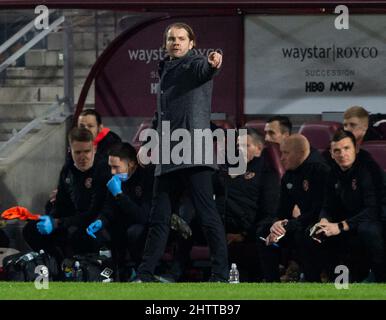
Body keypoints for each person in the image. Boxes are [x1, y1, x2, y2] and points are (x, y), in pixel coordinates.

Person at [136, 22, 229, 282]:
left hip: (193, 154)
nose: (175, 42)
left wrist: (213, 63)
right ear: (165, 44)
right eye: (171, 39)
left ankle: (221, 275)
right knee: (159, 218)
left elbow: (207, 69)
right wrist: (149, 144)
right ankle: (144, 274)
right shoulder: (165, 68)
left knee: (207, 215)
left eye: (180, 38)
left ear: (191, 43)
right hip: (168, 155)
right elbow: (160, 115)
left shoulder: (194, 64)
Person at [23, 127, 111, 265]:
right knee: (31, 229)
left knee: (77, 233)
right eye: (78, 152)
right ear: (70, 151)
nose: (83, 157)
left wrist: (59, 223)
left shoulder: (103, 169)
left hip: (95, 222)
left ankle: (82, 269)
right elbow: (61, 204)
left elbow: (93, 211)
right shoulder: (68, 170)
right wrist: (50, 218)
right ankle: (55, 263)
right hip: (71, 220)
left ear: (94, 149)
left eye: (87, 151)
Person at [312, 129, 385, 282]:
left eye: (346, 148)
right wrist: (324, 221)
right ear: (332, 154)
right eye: (337, 150)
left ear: (356, 149)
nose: (342, 154)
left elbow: (373, 210)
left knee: (367, 230)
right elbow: (327, 205)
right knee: (314, 232)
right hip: (349, 220)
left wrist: (340, 226)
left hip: (375, 218)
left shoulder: (368, 168)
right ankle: (338, 282)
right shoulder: (332, 172)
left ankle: (379, 277)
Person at [258, 134, 329, 282]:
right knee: (264, 233)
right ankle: (272, 284)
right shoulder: (289, 175)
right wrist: (276, 224)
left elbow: (318, 211)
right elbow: (282, 209)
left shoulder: (320, 170)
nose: (281, 158)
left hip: (322, 224)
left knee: (304, 235)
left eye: (285, 153)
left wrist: (289, 225)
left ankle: (312, 281)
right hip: (300, 223)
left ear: (301, 153)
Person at [86, 142, 154, 281]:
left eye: (116, 167)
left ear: (131, 164)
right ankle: (113, 270)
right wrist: (100, 220)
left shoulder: (147, 178)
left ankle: (141, 272)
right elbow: (108, 209)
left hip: (144, 226)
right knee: (100, 230)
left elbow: (142, 216)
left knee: (134, 232)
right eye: (111, 167)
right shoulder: (115, 180)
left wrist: (119, 195)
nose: (112, 172)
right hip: (121, 224)